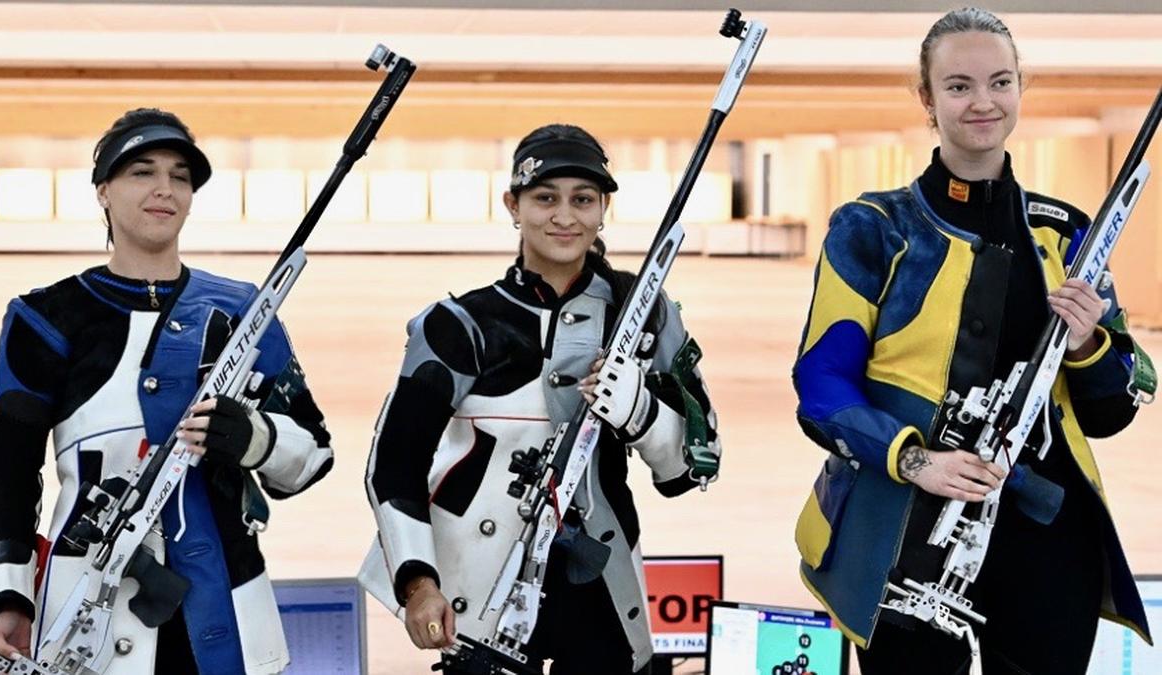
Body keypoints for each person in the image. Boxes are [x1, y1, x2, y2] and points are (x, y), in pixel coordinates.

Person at [792, 7, 1154, 674]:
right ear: (926, 99)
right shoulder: (874, 227)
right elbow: (820, 384)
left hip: (1047, 541)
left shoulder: (1068, 233)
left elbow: (1118, 405)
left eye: (1000, 82)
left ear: (1021, 88)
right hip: (905, 532)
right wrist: (914, 460)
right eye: (958, 86)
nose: (982, 102)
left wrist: (1087, 346)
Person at [0, 108, 335, 675]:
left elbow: (312, 456)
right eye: (142, 171)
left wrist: (254, 438)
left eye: (180, 176)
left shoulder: (242, 312)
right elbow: (5, 471)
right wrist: (10, 592)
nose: (164, 189)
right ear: (103, 192)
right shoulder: (46, 318)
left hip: (228, 611)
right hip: (84, 614)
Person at [360, 123, 721, 674]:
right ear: (513, 204)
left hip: (602, 583)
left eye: (583, 199)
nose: (564, 216)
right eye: (544, 198)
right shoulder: (458, 325)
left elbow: (693, 467)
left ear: (604, 209)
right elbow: (395, 463)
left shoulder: (645, 309)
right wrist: (417, 583)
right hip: (480, 599)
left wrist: (639, 412)